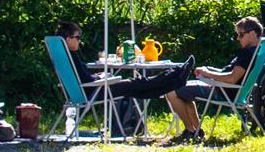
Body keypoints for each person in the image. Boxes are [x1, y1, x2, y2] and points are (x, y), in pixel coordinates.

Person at [159, 16, 261, 145]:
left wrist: (208, 74)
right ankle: (197, 131)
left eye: (241, 35)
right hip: (230, 90)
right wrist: (209, 70)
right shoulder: (257, 52)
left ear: (252, 34)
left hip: (222, 91)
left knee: (171, 91)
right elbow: (230, 73)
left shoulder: (246, 53)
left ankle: (190, 131)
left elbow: (232, 78)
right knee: (183, 92)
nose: (238, 38)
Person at [54, 23, 196, 104]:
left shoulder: (64, 56)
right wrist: (101, 78)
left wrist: (99, 75)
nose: (79, 41)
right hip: (94, 92)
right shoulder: (70, 56)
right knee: (136, 84)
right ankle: (176, 74)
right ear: (67, 39)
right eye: (77, 38)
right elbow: (86, 80)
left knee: (138, 87)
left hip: (89, 90)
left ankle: (176, 77)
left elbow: (81, 78)